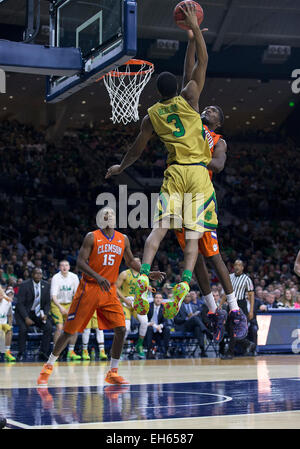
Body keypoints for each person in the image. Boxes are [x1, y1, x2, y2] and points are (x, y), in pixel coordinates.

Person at [106, 3, 217, 321]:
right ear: (179, 90)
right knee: (192, 238)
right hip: (198, 174)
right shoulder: (192, 96)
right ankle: (183, 282)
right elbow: (200, 65)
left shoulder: (152, 116)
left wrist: (120, 168)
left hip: (174, 173)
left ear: (157, 93)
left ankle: (142, 276)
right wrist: (194, 32)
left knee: (159, 229)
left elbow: (136, 151)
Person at [174, 27, 248, 344]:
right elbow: (187, 79)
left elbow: (217, 165)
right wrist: (191, 41)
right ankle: (213, 310)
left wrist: (194, 160)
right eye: (208, 107)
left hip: (202, 196)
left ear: (217, 122)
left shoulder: (218, 140)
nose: (209, 108)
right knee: (194, 258)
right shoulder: (190, 118)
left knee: (213, 254)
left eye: (214, 111)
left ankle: (234, 310)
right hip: (179, 194)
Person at [37, 207, 164, 386]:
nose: (108, 216)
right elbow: (80, 263)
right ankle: (48, 366)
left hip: (109, 290)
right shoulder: (91, 236)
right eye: (105, 214)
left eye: (111, 214)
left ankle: (112, 372)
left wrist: (148, 272)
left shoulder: (123, 239)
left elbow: (129, 261)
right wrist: (97, 276)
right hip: (89, 288)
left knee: (121, 329)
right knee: (69, 331)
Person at [15, 268, 52, 361]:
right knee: (23, 329)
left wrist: (46, 314)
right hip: (24, 313)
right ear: (32, 274)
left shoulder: (46, 285)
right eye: (36, 273)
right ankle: (21, 352)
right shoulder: (24, 285)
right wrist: (26, 318)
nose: (38, 275)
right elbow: (20, 304)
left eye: (40, 273)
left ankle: (43, 352)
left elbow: (48, 303)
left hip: (38, 313)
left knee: (48, 327)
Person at [116, 259, 149, 359]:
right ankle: (119, 349)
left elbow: (145, 290)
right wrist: (124, 299)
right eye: (135, 261)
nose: (138, 263)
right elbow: (115, 287)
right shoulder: (124, 274)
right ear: (131, 263)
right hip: (125, 303)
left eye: (139, 261)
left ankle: (139, 345)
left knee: (144, 322)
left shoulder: (143, 276)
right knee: (126, 328)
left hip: (137, 303)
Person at [50, 260, 81, 360]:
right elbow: (53, 296)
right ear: (59, 267)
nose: (64, 267)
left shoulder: (74, 277)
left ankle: (71, 351)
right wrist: (60, 307)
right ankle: (56, 353)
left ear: (69, 267)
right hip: (57, 303)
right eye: (62, 265)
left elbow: (77, 295)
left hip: (70, 304)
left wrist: (71, 307)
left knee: (74, 327)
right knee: (59, 327)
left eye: (66, 265)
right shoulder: (56, 277)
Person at [174, 292, 210, 357]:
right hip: (183, 326)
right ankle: (206, 331)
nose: (187, 298)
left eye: (189, 296)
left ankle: (202, 350)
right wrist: (186, 318)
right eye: (186, 296)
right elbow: (176, 320)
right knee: (194, 318)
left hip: (192, 327)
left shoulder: (194, 307)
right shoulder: (178, 307)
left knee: (198, 328)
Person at [144, 293, 171, 359]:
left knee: (167, 329)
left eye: (160, 298)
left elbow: (165, 321)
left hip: (159, 329)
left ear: (162, 300)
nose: (158, 299)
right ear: (154, 299)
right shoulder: (148, 306)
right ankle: (149, 351)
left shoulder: (164, 308)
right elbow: (143, 319)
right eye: (156, 298)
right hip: (149, 327)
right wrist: (148, 323)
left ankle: (165, 351)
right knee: (149, 329)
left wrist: (160, 326)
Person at [0, 286, 15, 362]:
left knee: (9, 329)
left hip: (3, 324)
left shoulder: (7, 302)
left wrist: (10, 324)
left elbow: (9, 315)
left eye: (1, 294)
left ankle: (7, 352)